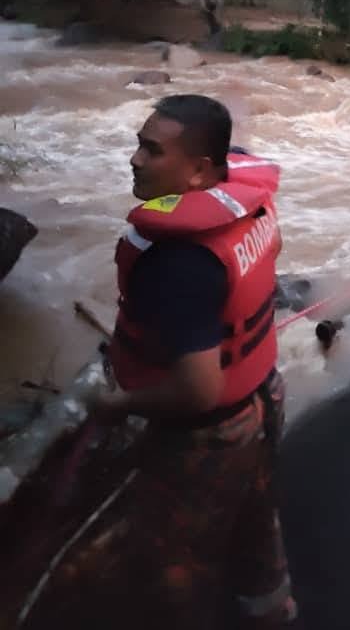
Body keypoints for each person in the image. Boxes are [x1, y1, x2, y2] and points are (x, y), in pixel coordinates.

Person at [27, 95, 298, 629]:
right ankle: (275, 614)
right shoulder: (246, 202)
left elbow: (197, 389)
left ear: (199, 171)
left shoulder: (178, 263)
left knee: (173, 571)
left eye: (152, 151)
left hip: (208, 437)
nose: (134, 160)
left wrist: (118, 402)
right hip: (264, 398)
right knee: (255, 525)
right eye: (138, 144)